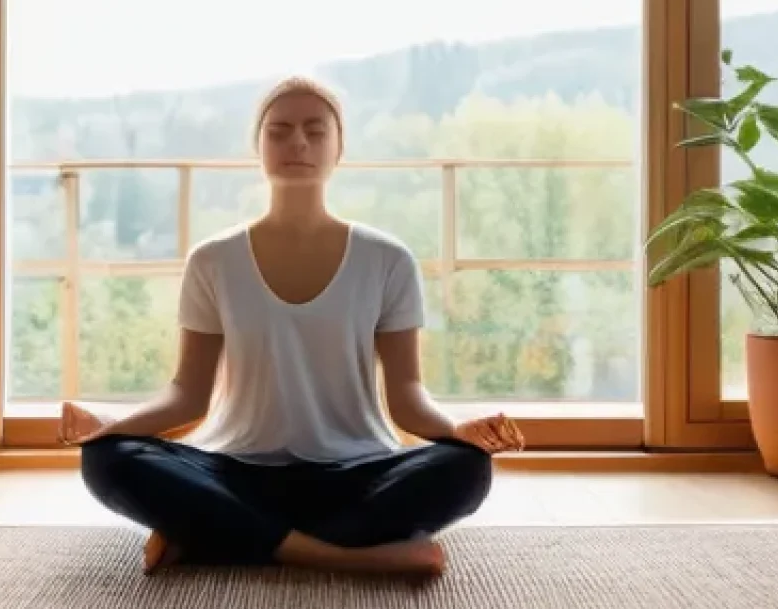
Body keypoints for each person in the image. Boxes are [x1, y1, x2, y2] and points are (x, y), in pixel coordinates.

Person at [59, 76, 525, 578]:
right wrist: (108, 428)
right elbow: (187, 396)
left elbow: (407, 397)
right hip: (236, 469)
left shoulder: (388, 260)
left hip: (355, 472)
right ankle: (343, 555)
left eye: (315, 131)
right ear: (258, 147)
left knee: (466, 468)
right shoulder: (213, 261)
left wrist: (459, 430)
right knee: (107, 459)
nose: (297, 142)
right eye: (279, 131)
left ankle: (212, 534)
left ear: (338, 149)